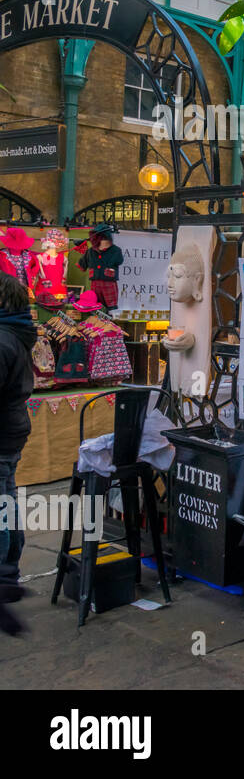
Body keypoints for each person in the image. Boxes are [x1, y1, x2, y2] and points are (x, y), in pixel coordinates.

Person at [0, 272, 35, 635]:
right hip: (12, 428)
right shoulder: (15, 333)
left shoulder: (3, 339)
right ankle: (8, 576)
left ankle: (4, 578)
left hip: (4, 430)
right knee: (6, 502)